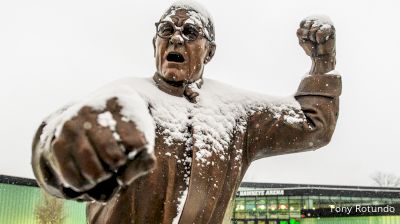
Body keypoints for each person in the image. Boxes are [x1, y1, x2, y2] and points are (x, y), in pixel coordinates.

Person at [31, 1, 342, 223]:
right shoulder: (125, 97)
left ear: (210, 51)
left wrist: (322, 64)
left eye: (191, 31)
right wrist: (64, 151)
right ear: (155, 43)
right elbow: (58, 140)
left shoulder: (237, 113)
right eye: (167, 29)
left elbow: (313, 126)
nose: (176, 37)